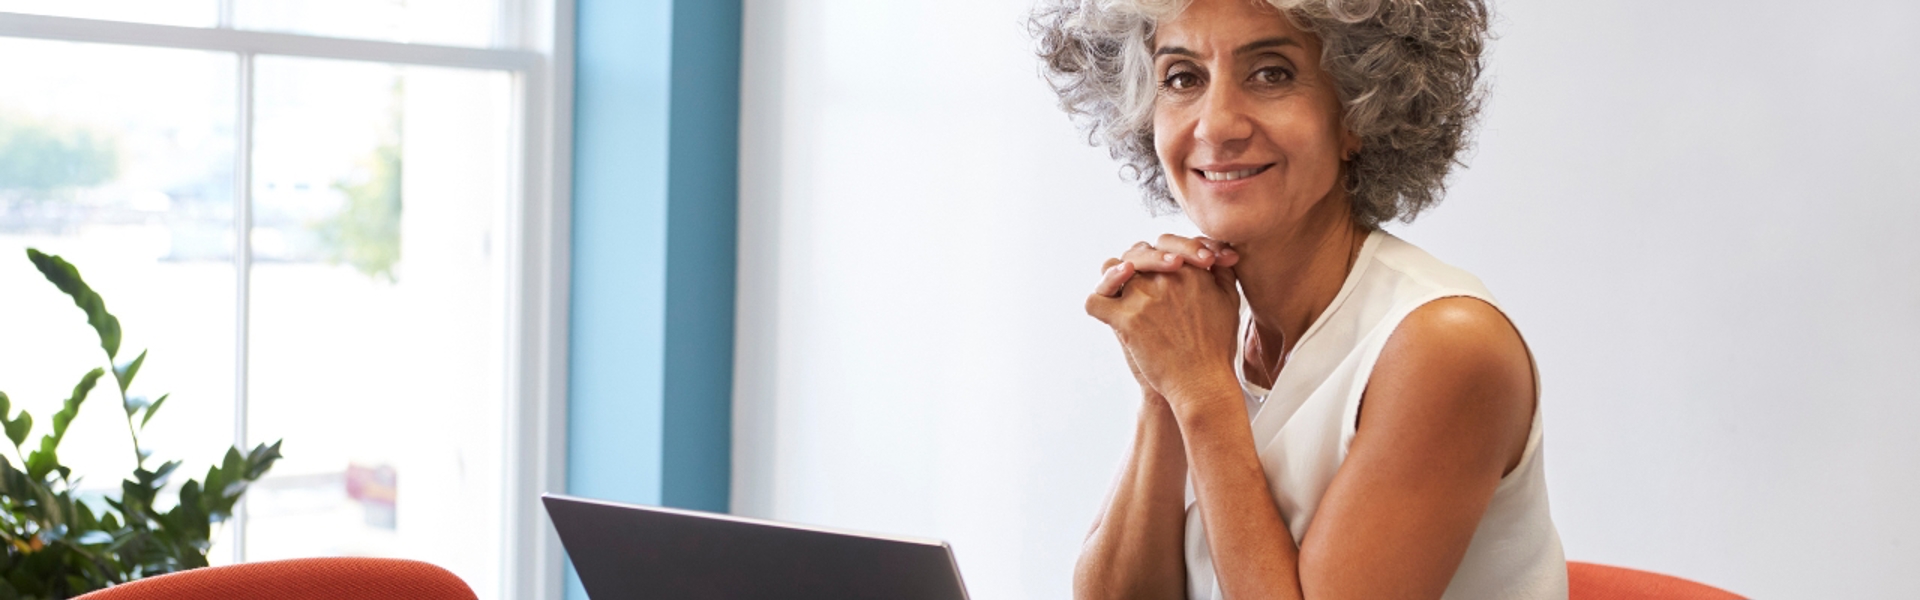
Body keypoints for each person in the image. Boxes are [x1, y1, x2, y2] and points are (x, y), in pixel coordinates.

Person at [1030, 0, 1566, 598]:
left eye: (1271, 74)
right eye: (1183, 78)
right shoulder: (1201, 326)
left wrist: (1201, 392)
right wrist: (1165, 389)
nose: (1216, 125)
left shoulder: (1445, 345)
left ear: (1359, 111)